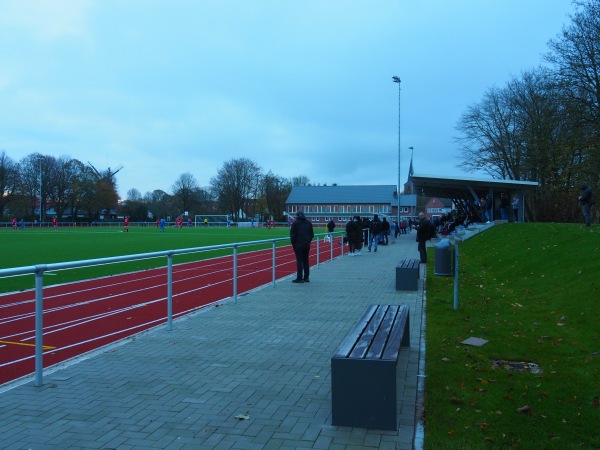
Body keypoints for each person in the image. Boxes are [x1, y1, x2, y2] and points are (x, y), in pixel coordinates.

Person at [290, 211, 314, 283]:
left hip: (298, 244)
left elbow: (292, 235)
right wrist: (308, 241)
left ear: (297, 216)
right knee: (306, 260)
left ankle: (299, 278)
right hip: (306, 244)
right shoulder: (308, 223)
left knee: (299, 261)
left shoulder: (295, 223)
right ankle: (306, 277)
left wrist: (293, 244)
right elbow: (312, 234)